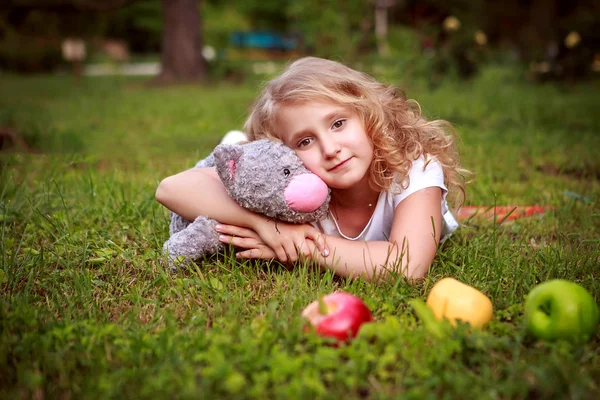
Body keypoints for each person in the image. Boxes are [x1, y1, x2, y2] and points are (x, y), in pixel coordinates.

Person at [156, 57, 468, 281]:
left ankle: (237, 143)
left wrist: (304, 247)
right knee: (237, 166)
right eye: (305, 141)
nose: (331, 149)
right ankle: (238, 145)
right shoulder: (292, 186)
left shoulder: (412, 165)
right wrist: (266, 225)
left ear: (367, 114)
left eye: (338, 123)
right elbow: (170, 188)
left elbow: (407, 266)